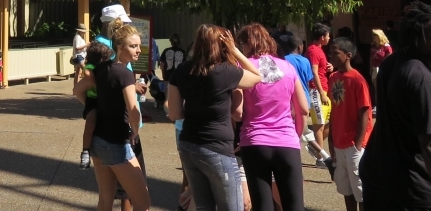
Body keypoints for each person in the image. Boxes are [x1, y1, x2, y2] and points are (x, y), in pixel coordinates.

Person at [360, 1, 431, 211]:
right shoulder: (422, 79)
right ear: (415, 37)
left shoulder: (391, 63)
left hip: (380, 179)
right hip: (413, 189)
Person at [168, 24, 262, 211]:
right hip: (217, 146)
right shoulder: (225, 72)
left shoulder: (181, 71)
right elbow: (257, 76)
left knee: (204, 206)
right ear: (222, 46)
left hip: (188, 145)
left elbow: (175, 113)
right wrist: (235, 51)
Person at [74, 21, 152, 211]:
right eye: (133, 46)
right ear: (119, 47)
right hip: (117, 142)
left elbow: (77, 90)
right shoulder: (125, 74)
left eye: (138, 46)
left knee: (105, 199)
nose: (138, 50)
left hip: (98, 142)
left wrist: (94, 106)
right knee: (143, 202)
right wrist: (134, 131)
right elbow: (133, 109)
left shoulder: (102, 68)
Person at [236, 23, 309, 211]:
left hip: (254, 142)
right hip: (287, 142)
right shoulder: (288, 67)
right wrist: (297, 134)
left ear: (246, 44)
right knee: (294, 205)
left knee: (262, 205)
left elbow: (237, 112)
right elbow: (303, 109)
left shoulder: (243, 69)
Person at [328, 36, 373, 211]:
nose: (330, 56)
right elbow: (334, 109)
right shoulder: (333, 77)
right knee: (345, 187)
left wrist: (359, 143)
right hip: (339, 142)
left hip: (354, 144)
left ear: (347, 55)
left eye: (335, 53)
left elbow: (364, 113)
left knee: (360, 187)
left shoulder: (357, 80)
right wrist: (331, 139)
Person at [77, 41, 113, 169]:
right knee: (91, 122)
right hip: (93, 100)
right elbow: (87, 73)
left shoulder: (108, 66)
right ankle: (85, 151)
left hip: (105, 99)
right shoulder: (91, 66)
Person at [305, 23, 334, 169]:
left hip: (323, 89)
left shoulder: (319, 50)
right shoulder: (313, 51)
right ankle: (320, 158)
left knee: (327, 123)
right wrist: (321, 92)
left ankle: (315, 147)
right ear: (322, 37)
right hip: (316, 91)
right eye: (328, 35)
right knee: (319, 125)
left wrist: (329, 67)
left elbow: (321, 69)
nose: (329, 38)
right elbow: (314, 72)